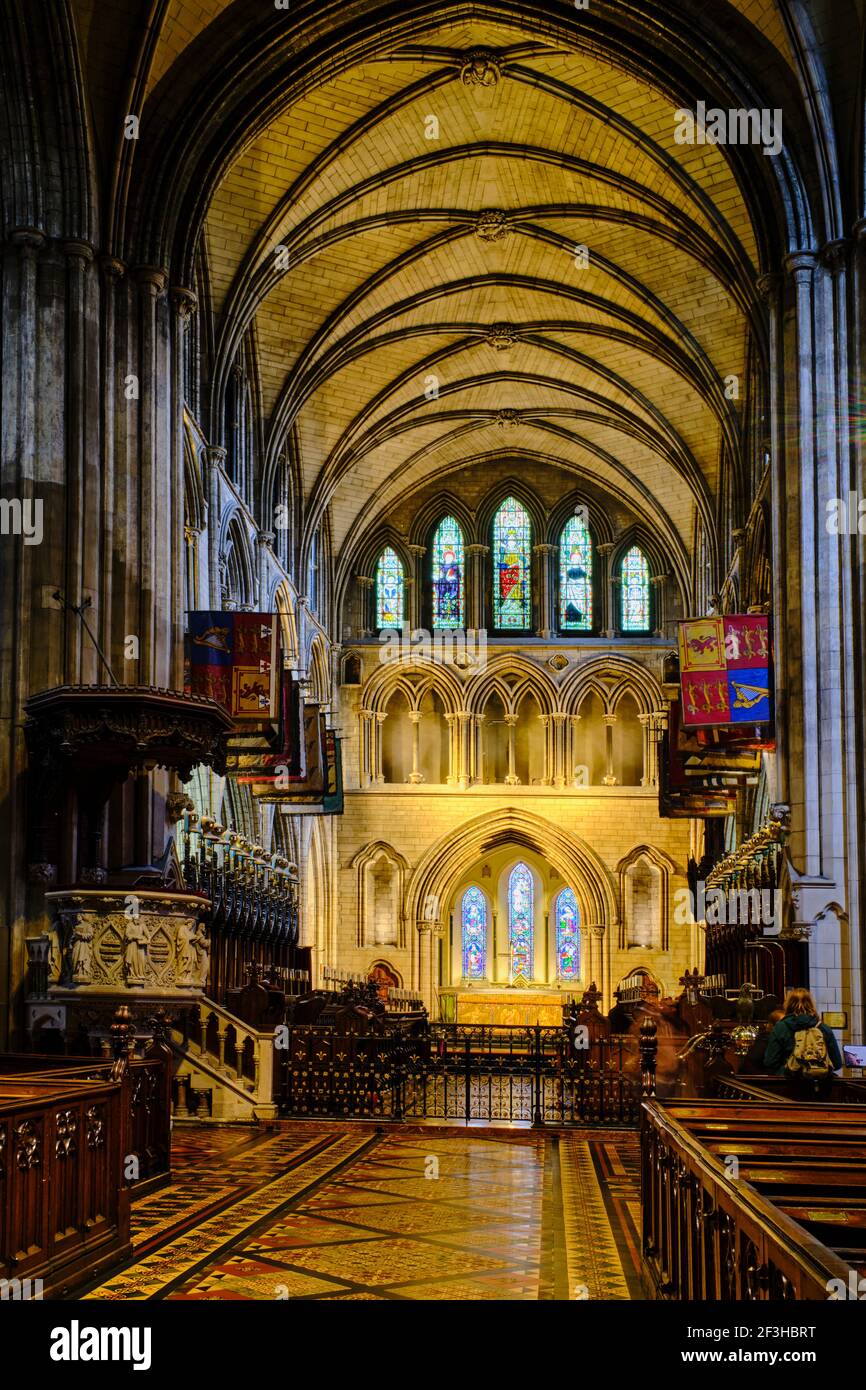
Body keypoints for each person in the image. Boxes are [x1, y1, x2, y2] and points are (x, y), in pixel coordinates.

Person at [763, 988, 843, 1080]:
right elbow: (837, 1063)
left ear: (788, 1005)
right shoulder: (823, 1028)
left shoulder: (781, 1027)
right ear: (811, 1004)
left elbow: (770, 1061)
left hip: (789, 1085)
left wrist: (788, 1070)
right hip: (820, 1086)